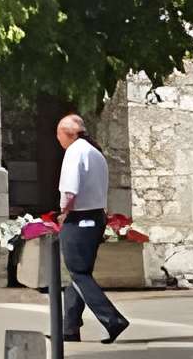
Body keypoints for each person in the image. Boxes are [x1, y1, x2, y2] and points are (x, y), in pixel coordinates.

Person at [53, 112, 127, 344]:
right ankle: (69, 327)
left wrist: (63, 214)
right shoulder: (94, 152)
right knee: (79, 274)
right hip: (96, 217)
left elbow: (70, 191)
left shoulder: (75, 152)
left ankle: (112, 319)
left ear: (66, 135)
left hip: (79, 219)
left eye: (58, 136)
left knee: (79, 273)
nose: (58, 141)